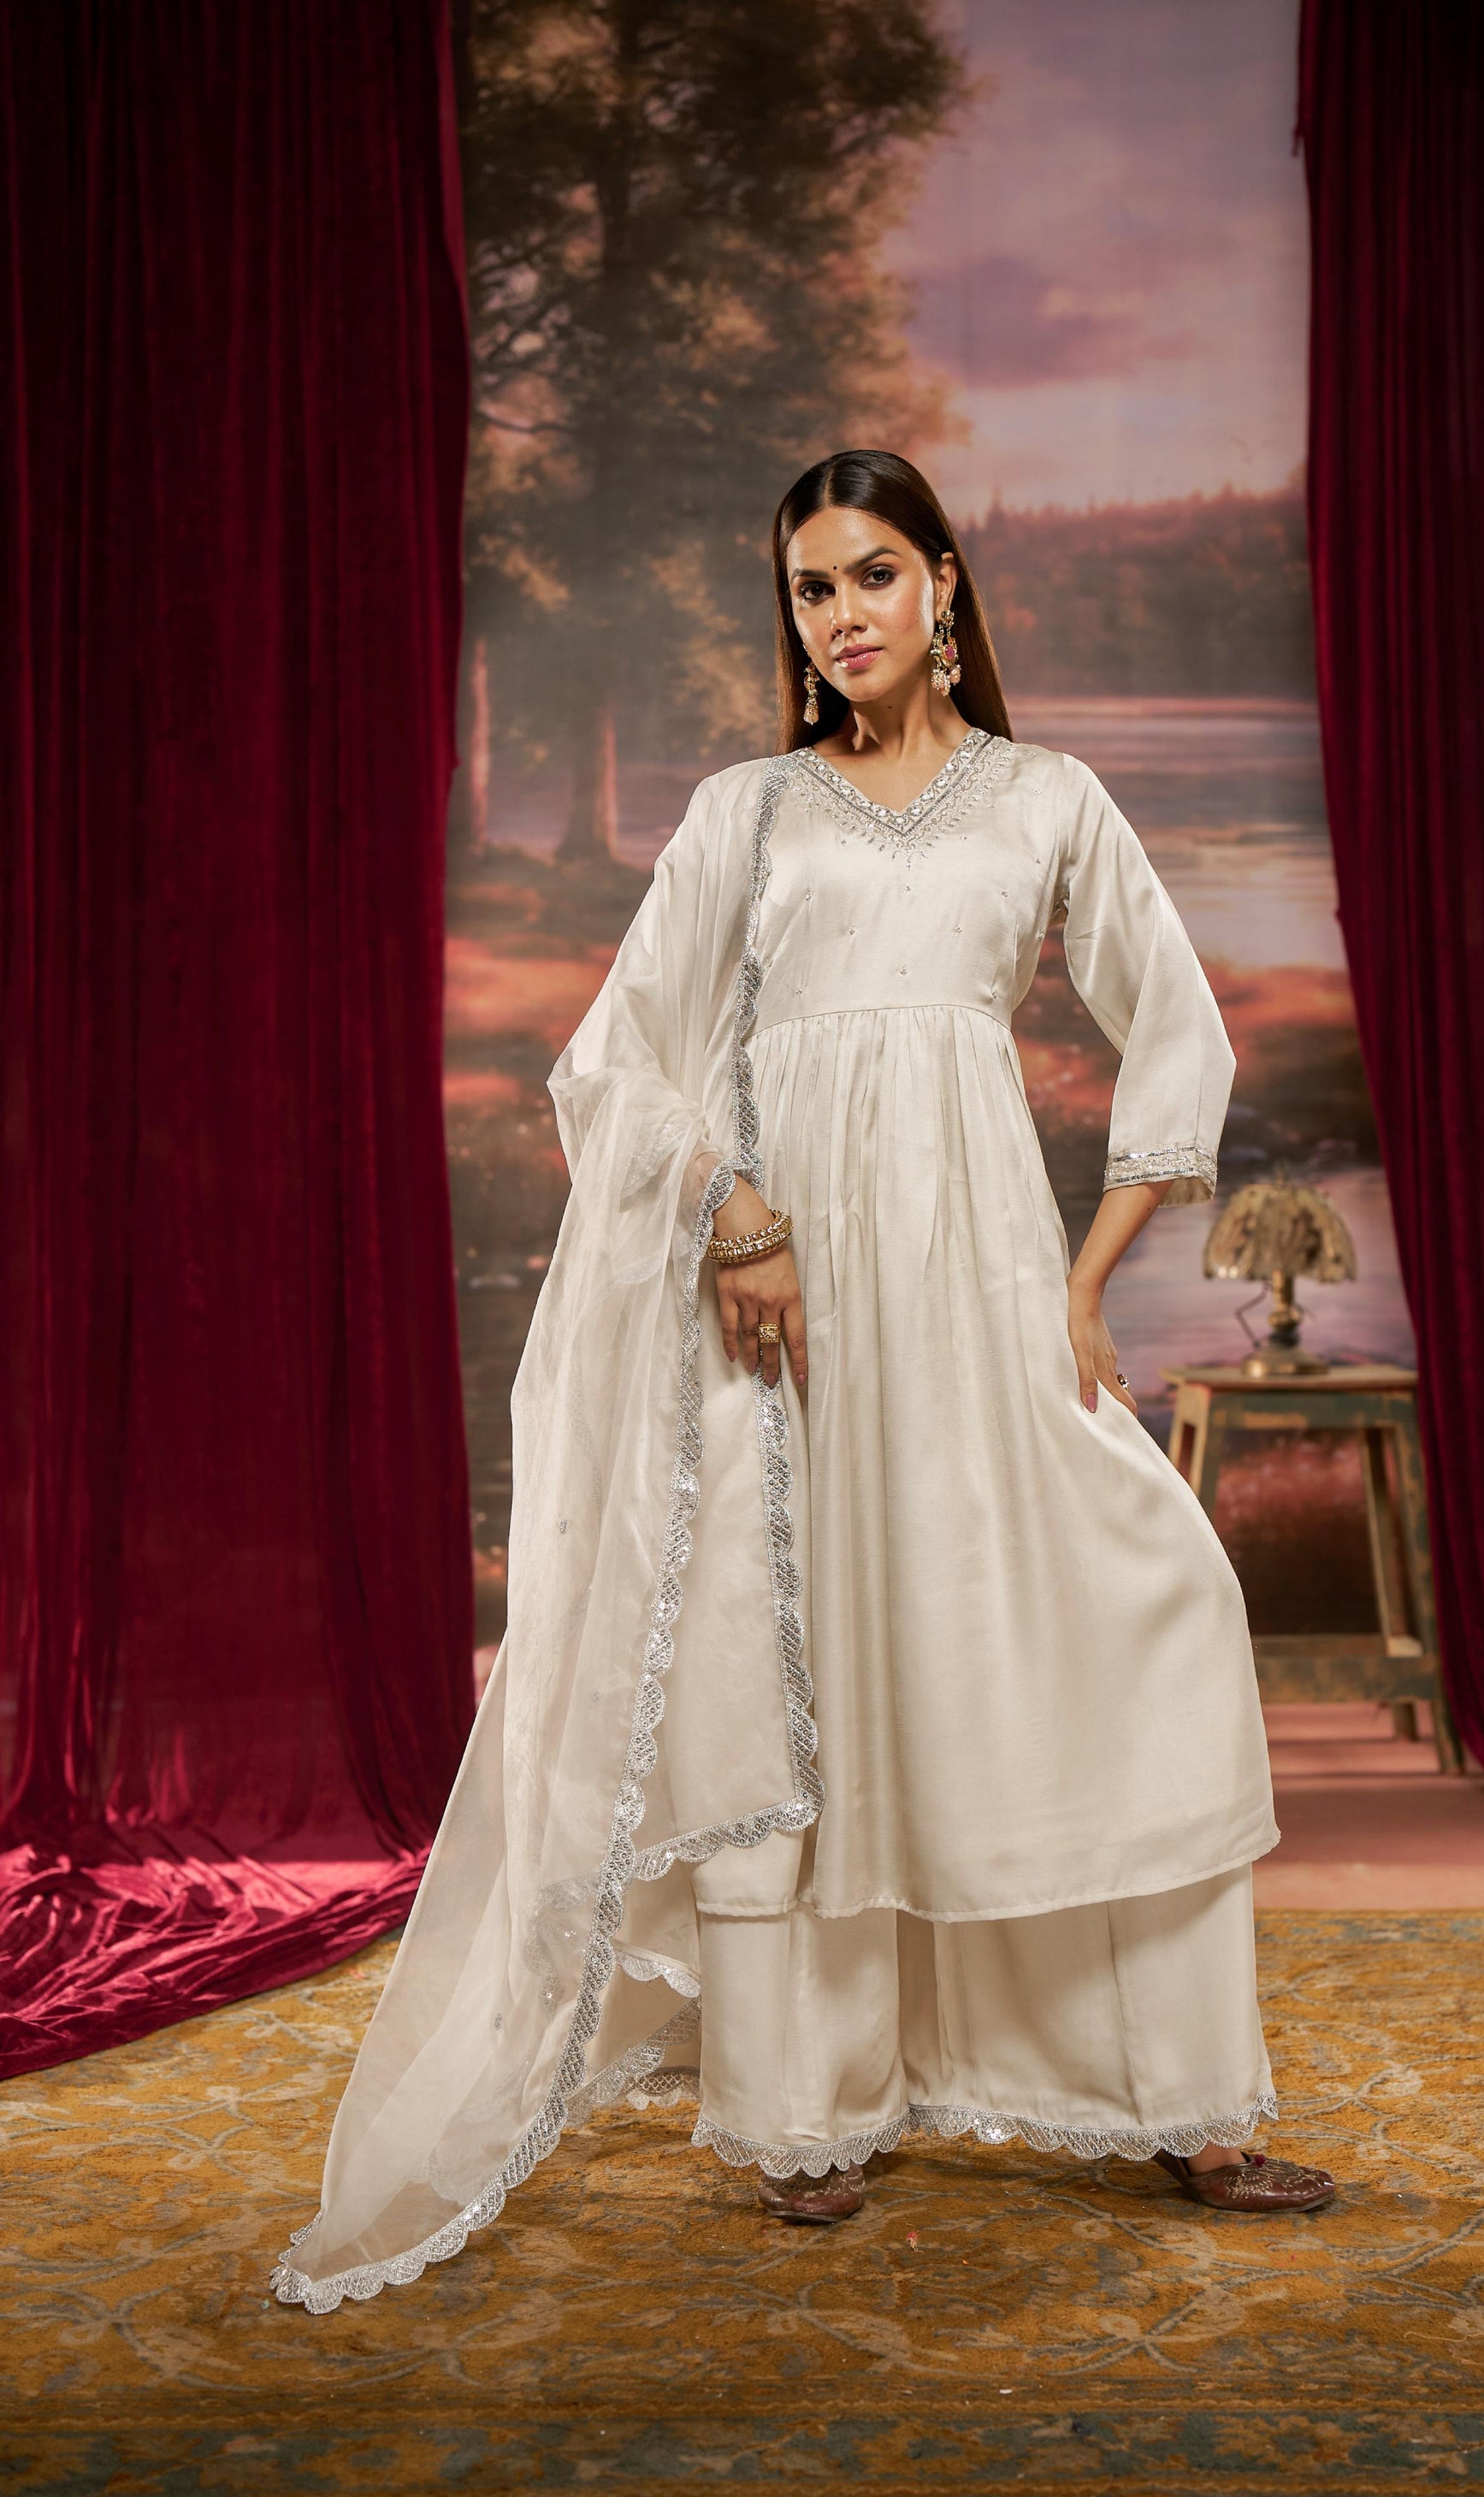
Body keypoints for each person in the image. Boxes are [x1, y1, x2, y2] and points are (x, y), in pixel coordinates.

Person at [273, 451, 1333, 2314]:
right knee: (812, 1664)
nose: (841, 616)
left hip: (982, 1291)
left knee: (1124, 1618)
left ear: (945, 584)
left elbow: (1175, 1023)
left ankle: (1171, 2091)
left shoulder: (1048, 799)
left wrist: (1088, 1279)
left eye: (871, 575)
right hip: (782, 1323)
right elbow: (615, 1059)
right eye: (809, 590)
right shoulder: (744, 814)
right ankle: (806, 2106)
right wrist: (734, 1210)